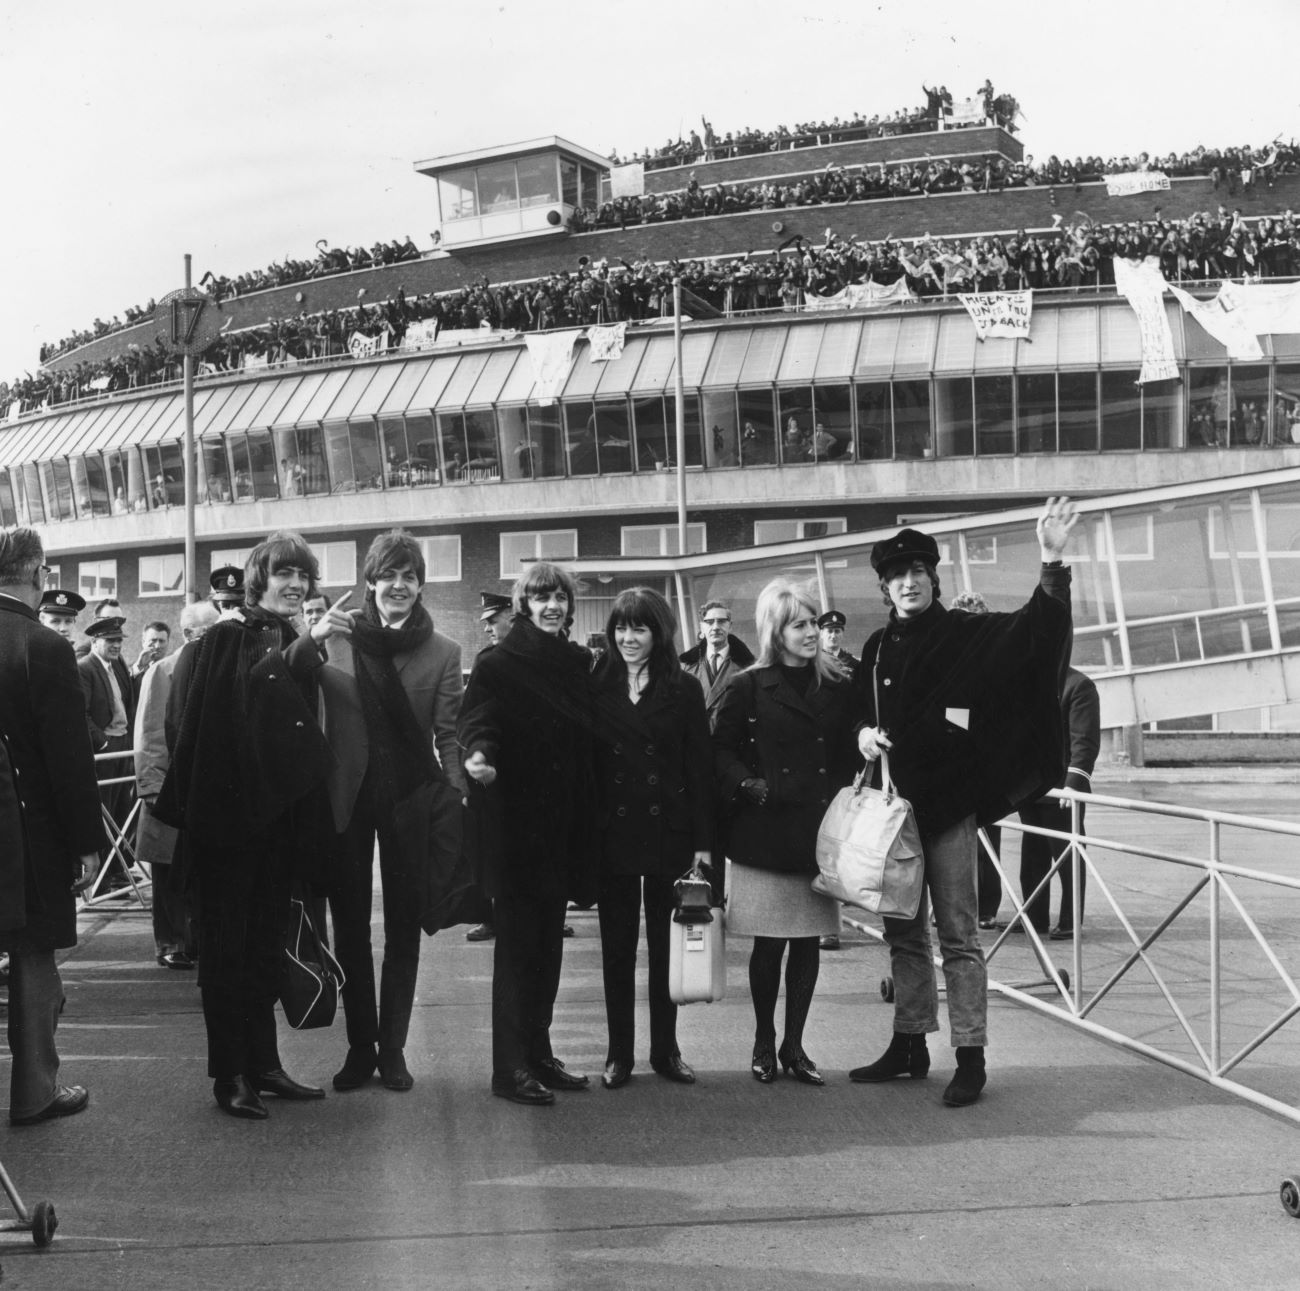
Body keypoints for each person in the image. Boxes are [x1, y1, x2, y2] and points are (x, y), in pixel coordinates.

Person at [849, 499, 1077, 1107]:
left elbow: (1037, 630)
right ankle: (909, 1043)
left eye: (917, 572)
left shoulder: (966, 634)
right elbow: (854, 714)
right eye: (896, 577)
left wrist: (1051, 560)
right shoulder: (873, 649)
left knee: (958, 937)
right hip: (893, 816)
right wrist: (862, 735)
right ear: (885, 587)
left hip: (947, 813)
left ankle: (970, 1057)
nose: (907, 582)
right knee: (901, 935)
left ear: (933, 578)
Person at [156, 532, 344, 1120]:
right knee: (226, 953)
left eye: (303, 576)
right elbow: (244, 707)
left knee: (265, 945)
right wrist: (305, 650)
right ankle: (230, 1074)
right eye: (284, 574)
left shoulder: (288, 636)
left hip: (276, 825)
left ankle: (263, 1064)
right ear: (258, 579)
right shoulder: (225, 638)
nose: (296, 585)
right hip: (228, 829)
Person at [315, 530, 465, 1094]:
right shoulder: (337, 638)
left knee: (404, 928)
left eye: (409, 576)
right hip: (347, 800)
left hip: (410, 802)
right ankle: (360, 1046)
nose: (398, 585)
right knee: (350, 926)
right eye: (388, 575)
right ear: (370, 581)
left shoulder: (445, 651)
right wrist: (310, 638)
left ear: (421, 585)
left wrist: (455, 799)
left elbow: (448, 735)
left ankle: (394, 1049)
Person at [458, 561, 598, 1106]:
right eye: (541, 597)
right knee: (516, 950)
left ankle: (539, 1053)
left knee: (547, 948)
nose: (552, 605)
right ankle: (508, 1068)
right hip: (516, 827)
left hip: (561, 827)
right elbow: (478, 721)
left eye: (560, 596)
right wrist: (479, 757)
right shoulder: (497, 662)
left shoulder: (578, 662)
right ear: (524, 604)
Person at [713, 579, 860, 1087]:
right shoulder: (747, 685)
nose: (811, 633)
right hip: (765, 834)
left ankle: (794, 1046)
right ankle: (762, 1041)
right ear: (776, 630)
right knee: (770, 945)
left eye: (813, 623)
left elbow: (849, 749)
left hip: (819, 834)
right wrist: (747, 783)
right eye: (799, 624)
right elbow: (718, 751)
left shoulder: (838, 683)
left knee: (806, 945)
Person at [0, 528, 103, 1124]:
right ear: (37, 573)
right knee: (34, 957)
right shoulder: (43, 646)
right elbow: (69, 760)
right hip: (31, 836)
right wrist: (86, 843)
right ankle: (36, 1089)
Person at [591, 588, 713, 1090]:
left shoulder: (684, 690)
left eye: (639, 628)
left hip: (670, 834)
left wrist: (704, 845)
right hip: (614, 836)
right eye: (621, 628)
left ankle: (666, 1050)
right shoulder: (596, 683)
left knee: (669, 950)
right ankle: (620, 1053)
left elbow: (701, 770)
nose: (628, 638)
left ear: (658, 633)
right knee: (617, 949)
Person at [134, 600, 218, 970]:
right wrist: (151, 787)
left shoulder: (219, 666)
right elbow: (149, 732)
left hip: (205, 792)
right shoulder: (162, 671)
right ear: (188, 633)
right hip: (168, 789)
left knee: (201, 871)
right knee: (168, 871)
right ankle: (170, 942)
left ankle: (197, 940)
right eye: (210, 629)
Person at [1016, 661, 1100, 940]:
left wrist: (1074, 783)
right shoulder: (1029, 681)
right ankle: (1034, 917)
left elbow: (1084, 741)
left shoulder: (1079, 685)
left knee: (1068, 857)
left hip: (1061, 790)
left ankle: (1070, 921)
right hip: (1031, 787)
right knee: (1032, 857)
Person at [947, 591, 1003, 930]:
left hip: (983, 762)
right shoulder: (948, 661)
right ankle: (950, 908)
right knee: (948, 842)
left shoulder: (991, 662)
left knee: (986, 842)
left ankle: (986, 908)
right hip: (951, 761)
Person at [464, 591, 514, 944]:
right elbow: (468, 722)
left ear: (512, 615)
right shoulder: (487, 662)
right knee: (488, 853)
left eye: (493, 620)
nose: (487, 628)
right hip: (489, 777)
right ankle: (489, 918)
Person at [78, 617, 137, 877]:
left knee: (123, 809)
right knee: (106, 811)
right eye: (110, 641)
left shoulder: (115, 665)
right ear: (94, 641)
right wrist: (101, 741)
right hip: (107, 748)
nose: (116, 646)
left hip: (122, 743)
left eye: (119, 641)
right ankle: (100, 879)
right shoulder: (86, 667)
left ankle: (117, 870)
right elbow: (82, 712)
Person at [679, 600, 756, 730]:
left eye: (721, 621)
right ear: (702, 627)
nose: (715, 627)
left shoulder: (749, 668)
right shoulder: (685, 668)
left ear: (730, 626)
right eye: (709, 622)